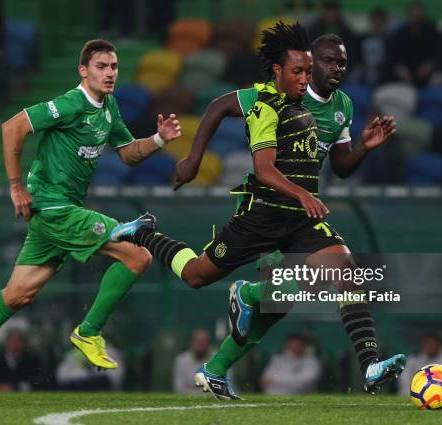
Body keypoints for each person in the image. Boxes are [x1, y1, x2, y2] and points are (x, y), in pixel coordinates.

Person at [112, 23, 404, 400]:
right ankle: (143, 234)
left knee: (337, 272)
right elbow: (219, 107)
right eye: (328, 61)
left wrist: (364, 146)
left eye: (342, 63)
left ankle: (368, 365)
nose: (336, 68)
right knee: (198, 276)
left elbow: (343, 167)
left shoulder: (342, 107)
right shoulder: (265, 99)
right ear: (309, 64)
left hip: (301, 216)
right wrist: (194, 158)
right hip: (264, 211)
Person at [0, 38, 182, 397]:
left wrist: (158, 139)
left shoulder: (108, 106)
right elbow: (11, 127)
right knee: (138, 254)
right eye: (101, 66)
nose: (110, 73)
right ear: (83, 70)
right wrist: (16, 186)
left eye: (113, 67)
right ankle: (90, 329)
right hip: (53, 207)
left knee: (18, 294)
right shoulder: (70, 103)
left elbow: (128, 153)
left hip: (60, 212)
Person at [388, 1, 439, 87]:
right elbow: (393, 56)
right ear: (408, 14)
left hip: (427, 71)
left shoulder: (432, 31)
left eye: (418, 13)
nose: (415, 15)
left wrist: (427, 67)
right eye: (413, 13)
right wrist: (402, 71)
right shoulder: (400, 33)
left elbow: (437, 53)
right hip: (404, 72)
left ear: (422, 14)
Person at [173, 328, 213, 394]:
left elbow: (224, 388)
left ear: (209, 344)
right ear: (192, 343)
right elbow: (179, 388)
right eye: (198, 342)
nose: (201, 346)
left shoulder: (220, 361)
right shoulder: (181, 360)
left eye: (203, 342)